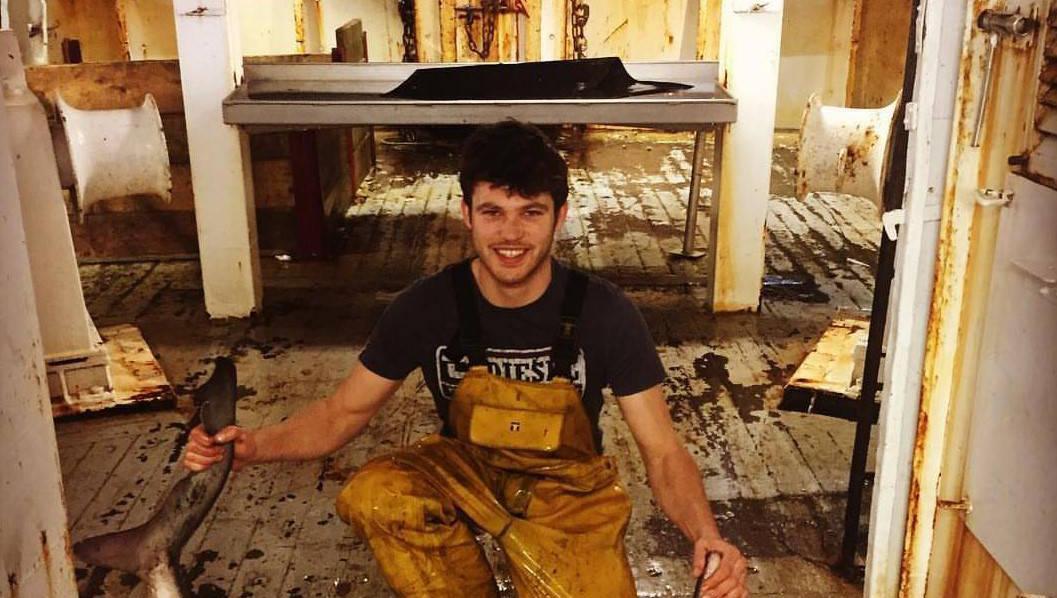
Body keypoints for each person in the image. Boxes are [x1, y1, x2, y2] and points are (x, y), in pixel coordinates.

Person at [184, 120, 750, 598]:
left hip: (568, 493)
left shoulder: (605, 313)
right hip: (465, 471)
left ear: (560, 216)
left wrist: (707, 535)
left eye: (530, 212)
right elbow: (341, 414)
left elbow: (663, 451)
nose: (510, 233)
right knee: (378, 495)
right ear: (466, 213)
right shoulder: (427, 307)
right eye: (493, 211)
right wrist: (252, 445)